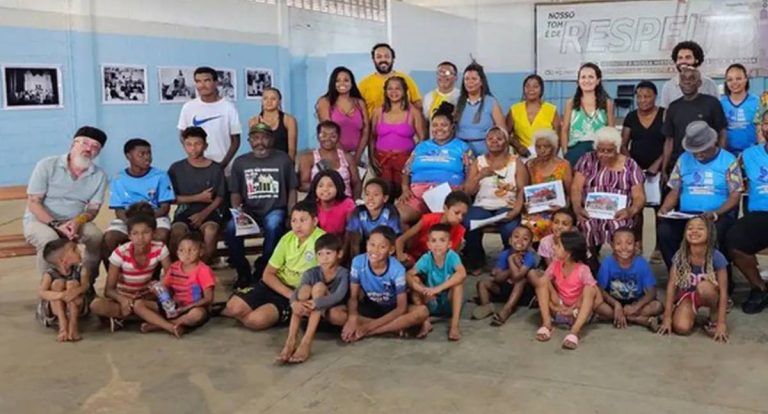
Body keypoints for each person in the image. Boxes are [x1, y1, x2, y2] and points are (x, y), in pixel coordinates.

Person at [24, 126, 107, 292]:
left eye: (95, 147)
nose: (88, 149)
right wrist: (56, 225)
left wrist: (78, 221)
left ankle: (87, 285)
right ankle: (49, 291)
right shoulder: (47, 165)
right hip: (41, 220)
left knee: (96, 236)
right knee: (50, 241)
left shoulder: (99, 175)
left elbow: (93, 209)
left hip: (74, 221)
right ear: (73, 144)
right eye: (85, 143)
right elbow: (34, 202)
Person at [222, 202, 325, 331]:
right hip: (277, 286)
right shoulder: (287, 238)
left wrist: (298, 298)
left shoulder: (322, 241)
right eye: (294, 221)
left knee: (255, 320)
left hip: (299, 294)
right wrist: (290, 295)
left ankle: (278, 312)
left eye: (303, 220)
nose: (298, 225)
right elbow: (268, 274)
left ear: (315, 221)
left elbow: (325, 280)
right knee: (233, 307)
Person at [657, 121, 742, 271]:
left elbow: (735, 195)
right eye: (695, 151)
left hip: (717, 214)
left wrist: (716, 213)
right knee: (665, 231)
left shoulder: (728, 161)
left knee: (716, 232)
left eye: (702, 150)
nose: (698, 154)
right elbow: (675, 190)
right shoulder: (683, 159)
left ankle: (714, 274)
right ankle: (679, 272)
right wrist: (665, 208)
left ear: (713, 142)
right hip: (686, 214)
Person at [227, 122, 298, 286]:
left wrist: (292, 215)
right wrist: (238, 213)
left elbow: (292, 189)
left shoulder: (283, 159)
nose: (260, 142)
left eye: (264, 138)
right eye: (255, 138)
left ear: (271, 140)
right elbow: (235, 192)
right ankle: (242, 271)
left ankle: (263, 267)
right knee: (231, 228)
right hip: (249, 211)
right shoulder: (240, 162)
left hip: (275, 209)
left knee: (274, 225)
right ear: (249, 141)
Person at [341, 226, 429, 342]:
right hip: (370, 306)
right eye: (372, 245)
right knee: (334, 313)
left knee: (422, 312)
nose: (375, 250)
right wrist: (352, 319)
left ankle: (372, 331)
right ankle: (393, 328)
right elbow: (353, 297)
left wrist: (367, 328)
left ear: (391, 250)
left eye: (382, 247)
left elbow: (401, 308)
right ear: (367, 244)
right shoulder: (358, 262)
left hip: (392, 309)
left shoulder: (397, 269)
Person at [90, 214, 172, 333]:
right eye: (135, 233)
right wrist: (123, 299)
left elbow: (170, 276)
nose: (141, 237)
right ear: (129, 236)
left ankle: (124, 318)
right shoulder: (120, 253)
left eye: (146, 232)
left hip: (146, 297)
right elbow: (109, 290)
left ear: (154, 233)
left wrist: (160, 288)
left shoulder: (160, 248)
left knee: (169, 300)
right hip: (125, 297)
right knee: (96, 305)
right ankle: (147, 317)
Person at [571, 127, 645, 257]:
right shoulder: (587, 159)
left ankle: (621, 262)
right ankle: (591, 261)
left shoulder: (630, 165)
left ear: (617, 149)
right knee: (585, 225)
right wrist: (577, 208)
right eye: (600, 150)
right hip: (591, 212)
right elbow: (576, 188)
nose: (604, 154)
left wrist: (630, 211)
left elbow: (639, 196)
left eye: (609, 151)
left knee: (620, 228)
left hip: (619, 214)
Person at [462, 126, 527, 271]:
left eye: (499, 138)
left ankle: (508, 261)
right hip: (482, 204)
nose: (494, 141)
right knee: (469, 223)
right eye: (490, 139)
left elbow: (522, 189)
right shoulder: (479, 161)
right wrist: (480, 176)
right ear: (485, 142)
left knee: (510, 228)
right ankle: (476, 260)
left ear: (506, 142)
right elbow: (468, 190)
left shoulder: (516, 162)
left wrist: (516, 210)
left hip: (507, 205)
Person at [278, 234, 349, 364]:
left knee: (319, 287)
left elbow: (339, 296)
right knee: (304, 290)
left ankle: (306, 342)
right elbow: (297, 292)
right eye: (320, 254)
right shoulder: (311, 272)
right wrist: (294, 303)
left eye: (328, 253)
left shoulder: (343, 273)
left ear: (339, 254)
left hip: (333, 308)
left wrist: (316, 302)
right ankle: (290, 341)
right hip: (312, 310)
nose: (324, 258)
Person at [397, 103, 471, 225]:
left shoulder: (462, 147)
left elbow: (471, 171)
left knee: (444, 221)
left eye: (444, 125)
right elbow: (406, 170)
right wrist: (405, 189)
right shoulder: (421, 146)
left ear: (452, 127)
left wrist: (463, 188)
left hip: (448, 195)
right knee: (398, 216)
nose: (439, 129)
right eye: (435, 125)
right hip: (418, 195)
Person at [658, 217, 729, 342]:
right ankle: (685, 312)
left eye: (700, 228)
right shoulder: (680, 255)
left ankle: (714, 315)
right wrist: (667, 317)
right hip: (689, 296)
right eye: (690, 228)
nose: (694, 231)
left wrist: (722, 323)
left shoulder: (716, 257)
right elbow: (671, 285)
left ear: (709, 233)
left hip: (710, 293)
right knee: (682, 328)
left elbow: (724, 291)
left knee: (704, 287)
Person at [528, 231, 603, 350]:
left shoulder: (583, 270)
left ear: (568, 253)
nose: (554, 247)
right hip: (560, 309)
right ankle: (547, 324)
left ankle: (574, 332)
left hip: (577, 314)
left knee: (590, 289)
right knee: (542, 281)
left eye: (558, 245)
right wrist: (554, 307)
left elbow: (598, 299)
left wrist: (575, 309)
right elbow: (542, 288)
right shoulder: (555, 264)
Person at [132, 233, 216, 337]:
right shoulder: (174, 267)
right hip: (174, 307)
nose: (187, 254)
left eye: (192, 250)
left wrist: (185, 308)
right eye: (182, 250)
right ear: (177, 252)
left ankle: (159, 325)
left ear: (201, 252)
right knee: (138, 304)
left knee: (196, 315)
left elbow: (208, 299)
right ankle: (171, 326)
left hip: (194, 307)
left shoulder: (203, 270)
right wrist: (150, 292)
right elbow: (164, 288)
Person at [103, 139, 175, 256]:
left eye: (149, 153)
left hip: (155, 217)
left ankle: (156, 268)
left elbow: (164, 208)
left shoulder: (161, 176)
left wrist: (144, 221)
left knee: (160, 235)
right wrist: (131, 223)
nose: (147, 158)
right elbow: (119, 210)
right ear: (128, 156)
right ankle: (116, 268)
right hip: (128, 218)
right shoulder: (118, 178)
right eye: (142, 154)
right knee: (109, 238)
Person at [168, 126, 227, 262]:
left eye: (197, 144)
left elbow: (219, 197)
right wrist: (198, 197)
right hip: (184, 213)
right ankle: (177, 267)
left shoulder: (215, 168)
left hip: (210, 213)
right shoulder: (176, 168)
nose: (193, 148)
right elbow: (171, 198)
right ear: (183, 145)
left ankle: (201, 267)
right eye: (188, 144)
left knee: (211, 230)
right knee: (177, 231)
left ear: (205, 145)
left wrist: (203, 214)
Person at [661, 67, 727, 177]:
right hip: (680, 166)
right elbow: (669, 141)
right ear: (679, 83)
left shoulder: (712, 103)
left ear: (699, 83)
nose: (687, 82)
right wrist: (664, 168)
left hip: (708, 163)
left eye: (691, 78)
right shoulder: (673, 107)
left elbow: (722, 133)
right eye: (683, 79)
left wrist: (719, 160)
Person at [407, 223, 467, 341]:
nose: (437, 244)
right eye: (433, 241)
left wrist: (438, 289)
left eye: (442, 240)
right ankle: (425, 322)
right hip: (431, 300)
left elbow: (462, 273)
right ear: (428, 245)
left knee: (458, 284)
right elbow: (408, 274)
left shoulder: (452, 256)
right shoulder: (427, 258)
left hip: (448, 301)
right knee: (414, 280)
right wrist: (422, 290)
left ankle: (454, 325)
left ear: (449, 244)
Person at [594, 228, 662, 330]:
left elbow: (652, 292)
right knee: (596, 304)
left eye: (629, 243)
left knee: (657, 306)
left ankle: (618, 317)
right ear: (612, 245)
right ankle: (640, 320)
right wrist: (616, 305)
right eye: (618, 243)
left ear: (636, 245)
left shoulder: (641, 263)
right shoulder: (607, 263)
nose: (624, 248)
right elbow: (600, 289)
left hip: (636, 302)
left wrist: (636, 307)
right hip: (613, 302)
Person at [177, 66, 241, 174]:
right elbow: (182, 136)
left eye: (207, 80)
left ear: (216, 83)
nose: (202, 85)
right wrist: (194, 157)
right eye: (198, 81)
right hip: (196, 170)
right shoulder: (188, 107)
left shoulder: (228, 107)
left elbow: (236, 141)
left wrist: (221, 166)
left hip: (223, 170)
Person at [370, 76, 425, 199]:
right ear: (385, 91)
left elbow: (422, 140)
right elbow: (372, 137)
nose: (393, 92)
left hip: (405, 162)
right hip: (382, 161)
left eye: (397, 88)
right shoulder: (378, 112)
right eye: (390, 88)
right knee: (383, 196)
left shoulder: (414, 112)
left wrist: (412, 161)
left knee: (404, 197)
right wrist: (372, 157)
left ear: (405, 91)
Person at [472, 226, 537, 326]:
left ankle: (507, 309)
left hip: (522, 293)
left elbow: (517, 277)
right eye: (516, 237)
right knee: (482, 283)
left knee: (521, 281)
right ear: (510, 241)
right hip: (505, 288)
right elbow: (497, 278)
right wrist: (510, 265)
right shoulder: (504, 254)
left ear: (530, 244)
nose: (519, 241)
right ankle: (486, 306)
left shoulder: (529, 257)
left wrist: (511, 261)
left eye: (525, 239)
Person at [521, 129, 573, 242]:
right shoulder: (530, 165)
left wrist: (564, 207)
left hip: (558, 209)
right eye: (538, 147)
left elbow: (570, 192)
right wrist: (526, 204)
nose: (542, 150)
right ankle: (540, 251)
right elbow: (525, 190)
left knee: (554, 223)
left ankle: (551, 251)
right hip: (536, 210)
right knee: (529, 224)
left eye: (546, 146)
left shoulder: (564, 165)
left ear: (554, 147)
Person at [396, 191, 470, 267]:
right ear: (445, 208)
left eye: (463, 215)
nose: (460, 217)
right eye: (456, 213)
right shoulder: (428, 220)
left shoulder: (460, 231)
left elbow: (451, 258)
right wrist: (400, 255)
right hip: (414, 258)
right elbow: (400, 240)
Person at [562, 63, 615, 166]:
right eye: (583, 77)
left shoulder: (607, 103)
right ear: (578, 81)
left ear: (598, 81)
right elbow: (564, 130)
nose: (587, 80)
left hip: (600, 151)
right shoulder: (571, 103)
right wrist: (565, 153)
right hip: (576, 151)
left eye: (591, 77)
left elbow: (611, 130)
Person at [316, 67, 369, 166]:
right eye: (338, 80)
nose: (342, 83)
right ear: (333, 83)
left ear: (352, 83)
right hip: (333, 155)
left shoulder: (359, 103)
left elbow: (366, 131)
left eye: (346, 80)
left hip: (358, 156)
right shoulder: (325, 102)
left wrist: (357, 156)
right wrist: (346, 157)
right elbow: (328, 132)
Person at [36, 239, 87, 342]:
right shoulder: (49, 274)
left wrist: (75, 291)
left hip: (76, 306)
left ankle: (72, 325)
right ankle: (63, 325)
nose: (79, 251)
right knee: (57, 284)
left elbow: (85, 286)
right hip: (54, 310)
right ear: (62, 260)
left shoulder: (81, 270)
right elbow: (41, 292)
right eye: (74, 250)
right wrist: (62, 295)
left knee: (72, 284)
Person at [298, 120, 362, 199]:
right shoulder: (308, 158)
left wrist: (355, 202)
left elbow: (356, 183)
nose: (328, 139)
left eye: (333, 136)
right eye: (323, 135)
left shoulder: (347, 157)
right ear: (317, 136)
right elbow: (303, 184)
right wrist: (326, 189)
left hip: (345, 202)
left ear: (338, 137)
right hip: (319, 202)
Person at [454, 62, 506, 155]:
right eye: (466, 79)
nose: (470, 82)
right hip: (460, 150)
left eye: (474, 79)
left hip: (486, 151)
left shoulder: (491, 102)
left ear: (481, 81)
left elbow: (503, 131)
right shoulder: (456, 102)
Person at [358, 43, 422, 116]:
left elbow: (417, 103)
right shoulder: (364, 84)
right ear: (373, 60)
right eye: (379, 57)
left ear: (393, 59)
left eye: (387, 56)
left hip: (404, 122)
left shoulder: (406, 79)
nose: (383, 59)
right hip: (373, 123)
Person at [506, 74, 561, 157]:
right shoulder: (514, 109)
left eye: (535, 86)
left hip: (546, 156)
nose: (531, 89)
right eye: (527, 86)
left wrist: (551, 158)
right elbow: (505, 134)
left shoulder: (551, 110)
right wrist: (518, 146)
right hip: (523, 156)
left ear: (541, 90)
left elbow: (558, 138)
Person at [346, 178, 402, 260]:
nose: (370, 198)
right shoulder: (358, 211)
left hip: (383, 250)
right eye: (367, 194)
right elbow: (354, 240)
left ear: (385, 198)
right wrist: (357, 260)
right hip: (363, 249)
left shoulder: (390, 212)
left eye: (376, 195)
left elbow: (393, 238)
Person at [621, 81, 666, 175]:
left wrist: (657, 164)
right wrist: (633, 166)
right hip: (635, 172)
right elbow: (623, 146)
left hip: (660, 170)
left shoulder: (665, 115)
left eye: (647, 97)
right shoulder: (631, 117)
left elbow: (670, 144)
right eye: (639, 97)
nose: (642, 100)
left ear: (655, 97)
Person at [660, 41, 720, 108]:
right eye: (680, 58)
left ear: (696, 60)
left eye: (688, 57)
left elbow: (716, 108)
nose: (683, 61)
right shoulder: (668, 86)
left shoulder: (710, 84)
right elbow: (665, 111)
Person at [248, 87, 298, 161]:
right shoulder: (254, 121)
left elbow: (292, 150)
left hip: (282, 162)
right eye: (265, 98)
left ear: (279, 101)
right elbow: (255, 147)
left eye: (273, 99)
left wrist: (289, 165)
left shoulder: (289, 120)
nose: (269, 101)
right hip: (262, 162)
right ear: (261, 101)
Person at [721, 63, 759, 156]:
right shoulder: (720, 103)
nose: (734, 82)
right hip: (728, 154)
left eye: (738, 78)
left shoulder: (757, 101)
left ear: (746, 79)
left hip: (751, 153)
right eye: (730, 79)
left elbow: (761, 130)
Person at [306, 170, 356, 238]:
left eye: (330, 185)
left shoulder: (347, 204)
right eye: (320, 186)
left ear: (338, 187)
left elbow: (352, 230)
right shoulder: (310, 205)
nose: (325, 189)